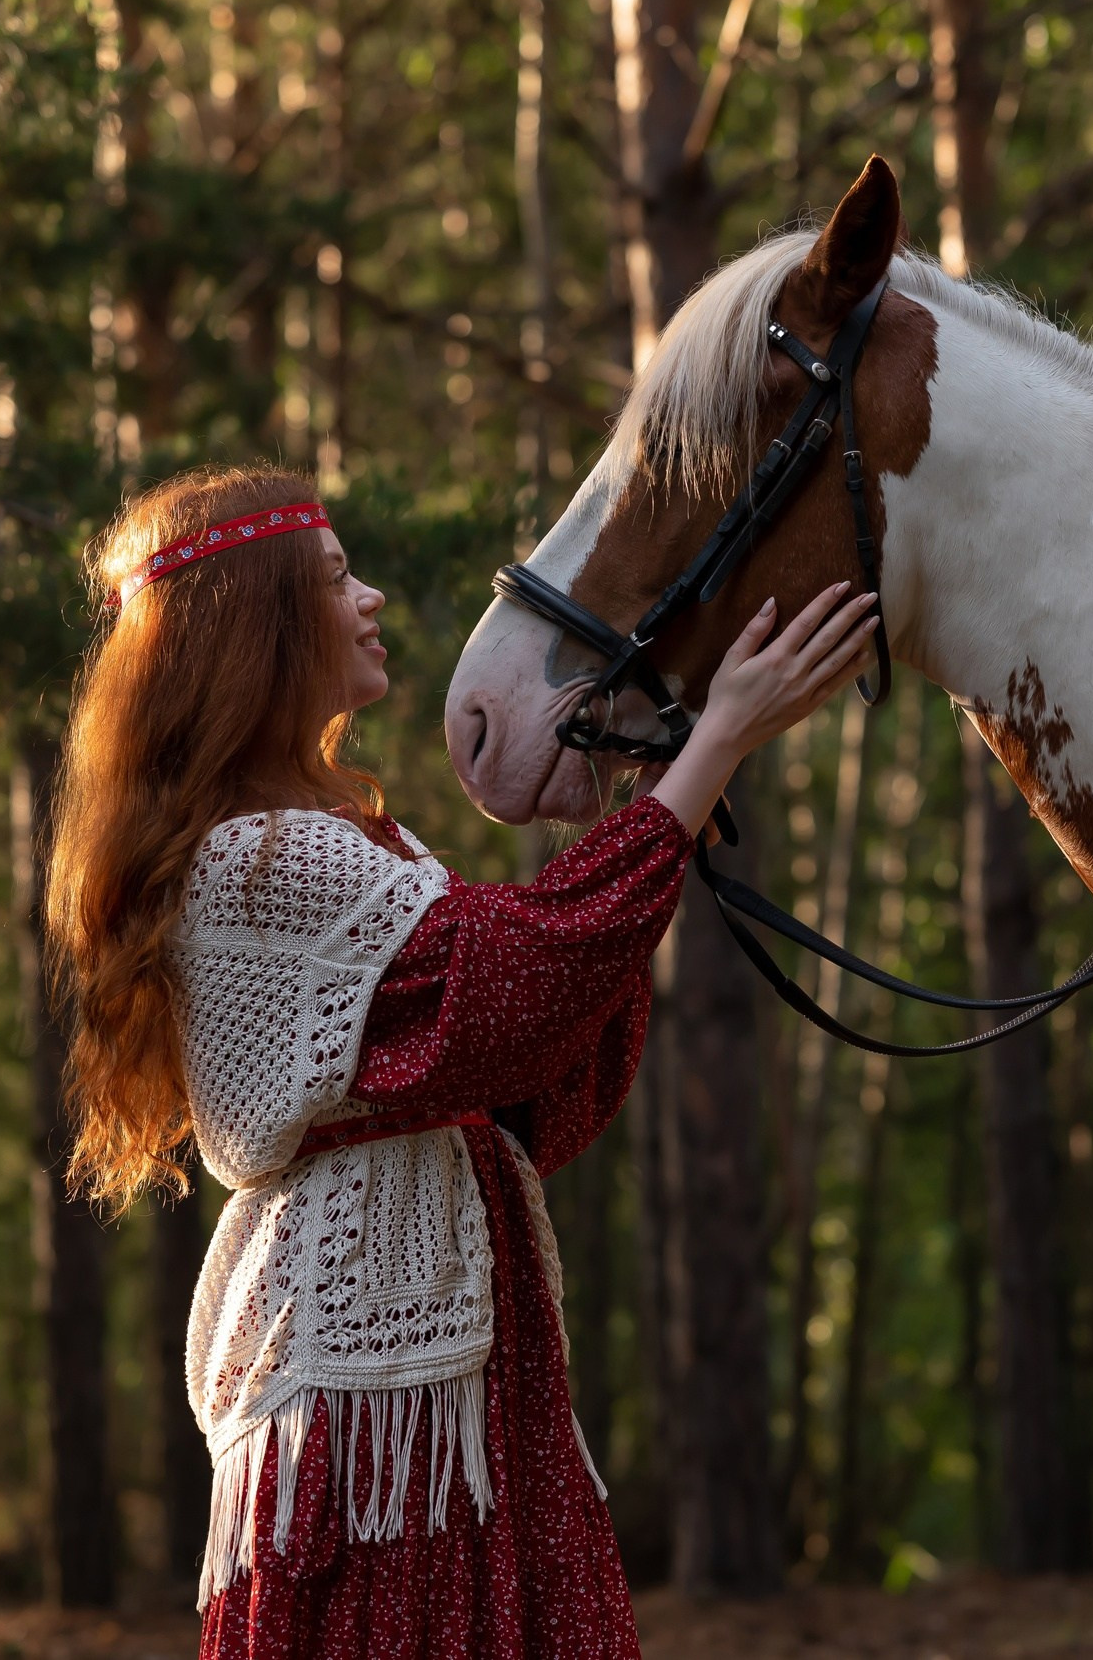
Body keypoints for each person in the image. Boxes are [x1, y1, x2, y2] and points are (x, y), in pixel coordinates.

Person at [45, 464, 877, 1659]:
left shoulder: (338, 837)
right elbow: (510, 980)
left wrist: (652, 793)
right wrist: (713, 750)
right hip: (369, 1377)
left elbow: (527, 1038)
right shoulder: (261, 859)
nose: (372, 597)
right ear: (264, 624)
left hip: (446, 1350)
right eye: (336, 578)